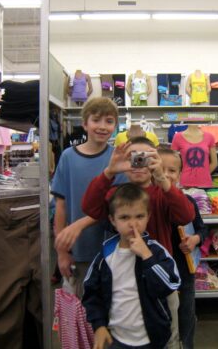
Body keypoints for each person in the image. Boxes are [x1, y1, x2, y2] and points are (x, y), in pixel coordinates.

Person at [82, 137, 195, 349]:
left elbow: (186, 215)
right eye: (134, 157)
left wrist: (162, 177)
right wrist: (110, 172)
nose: (140, 162)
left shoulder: (163, 192)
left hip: (158, 278)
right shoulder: (118, 195)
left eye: (147, 157)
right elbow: (90, 207)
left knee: (168, 338)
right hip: (123, 280)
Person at [83, 183, 181, 349]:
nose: (133, 224)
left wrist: (147, 257)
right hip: (115, 339)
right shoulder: (106, 254)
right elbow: (91, 292)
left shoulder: (156, 251)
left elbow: (169, 286)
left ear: (148, 217)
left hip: (153, 339)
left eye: (139, 216)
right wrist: (99, 325)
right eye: (124, 217)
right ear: (112, 220)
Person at [51, 97, 126, 297]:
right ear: (84, 123)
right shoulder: (68, 156)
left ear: (115, 126)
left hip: (112, 249)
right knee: (82, 312)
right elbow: (61, 206)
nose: (102, 127)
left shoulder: (117, 160)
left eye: (109, 121)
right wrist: (62, 252)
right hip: (78, 250)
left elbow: (118, 208)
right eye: (96, 120)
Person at [157, 147, 207, 349]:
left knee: (186, 316)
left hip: (184, 271)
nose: (167, 175)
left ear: (179, 174)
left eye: (172, 170)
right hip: (159, 273)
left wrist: (195, 239)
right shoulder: (147, 201)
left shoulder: (187, 202)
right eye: (161, 169)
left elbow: (202, 229)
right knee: (162, 318)